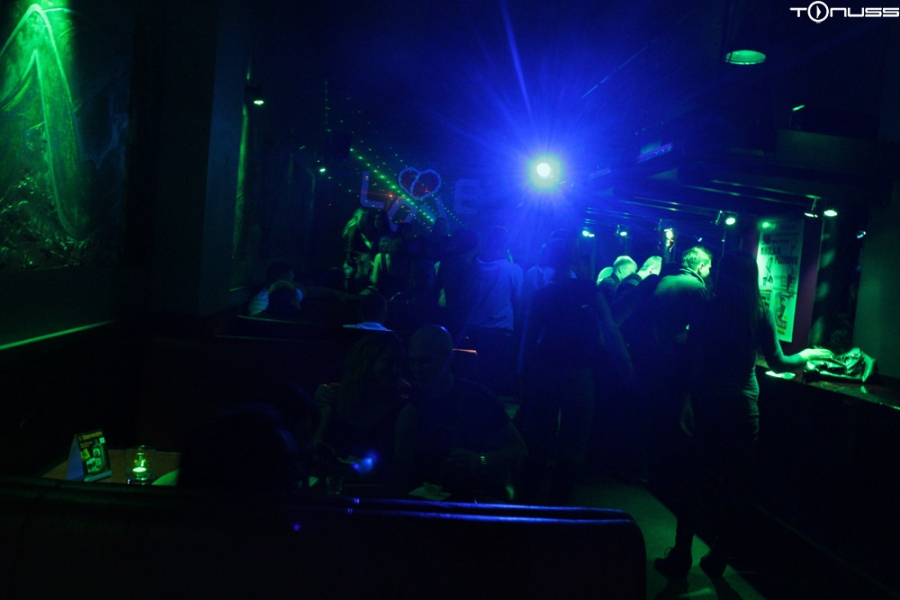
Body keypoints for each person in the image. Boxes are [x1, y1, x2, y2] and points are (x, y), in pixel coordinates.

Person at [654, 250, 834, 580]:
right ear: (752, 278)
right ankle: (718, 555)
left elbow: (691, 359)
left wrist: (685, 401)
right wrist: (807, 354)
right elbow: (779, 362)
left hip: (707, 404)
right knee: (735, 485)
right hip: (742, 408)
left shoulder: (707, 309)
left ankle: (680, 556)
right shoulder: (759, 312)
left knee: (695, 481)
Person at [394, 324, 528, 501]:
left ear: (449, 358)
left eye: (425, 361)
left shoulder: (477, 397)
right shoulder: (404, 400)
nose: (417, 368)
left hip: (464, 500)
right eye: (413, 361)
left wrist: (480, 460)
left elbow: (519, 450)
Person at [518, 243, 603, 505]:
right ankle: (560, 505)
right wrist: (627, 369)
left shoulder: (543, 294)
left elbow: (529, 337)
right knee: (574, 441)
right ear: (574, 259)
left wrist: (522, 372)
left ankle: (527, 503)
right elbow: (609, 330)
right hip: (580, 369)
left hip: (545, 368)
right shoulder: (589, 289)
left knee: (539, 436)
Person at [313, 332, 410, 487]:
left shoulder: (402, 406)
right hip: (334, 487)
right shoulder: (334, 397)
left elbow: (402, 468)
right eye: (389, 361)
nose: (396, 370)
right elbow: (315, 445)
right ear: (366, 362)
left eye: (399, 363)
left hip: (377, 491)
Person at [463, 226, 524, 397]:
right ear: (506, 244)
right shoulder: (513, 270)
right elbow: (519, 303)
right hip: (500, 334)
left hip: (473, 331)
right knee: (494, 382)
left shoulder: (472, 267)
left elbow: (464, 298)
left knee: (473, 380)